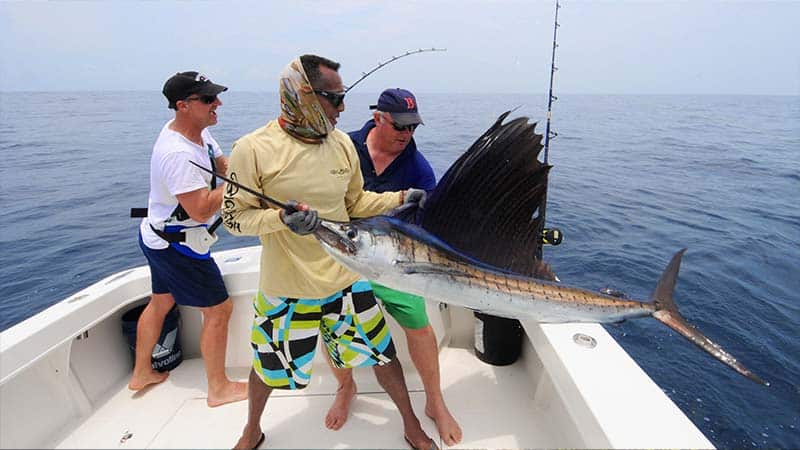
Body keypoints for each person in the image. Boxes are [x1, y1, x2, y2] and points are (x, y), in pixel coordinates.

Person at [223, 55, 436, 450]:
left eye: (343, 99)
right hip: (287, 287)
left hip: (346, 277)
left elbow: (354, 202)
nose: (343, 109)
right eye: (335, 99)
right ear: (303, 94)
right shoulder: (251, 148)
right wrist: (279, 220)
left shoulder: (340, 144)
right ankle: (251, 430)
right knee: (267, 369)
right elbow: (235, 220)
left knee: (384, 355)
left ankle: (411, 424)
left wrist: (402, 197)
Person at [322, 88, 462, 446]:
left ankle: (435, 401)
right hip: (344, 260)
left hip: (395, 266)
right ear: (379, 117)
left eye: (413, 127)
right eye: (400, 125)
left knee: (420, 328)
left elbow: (433, 224)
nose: (406, 134)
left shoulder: (418, 167)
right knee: (334, 329)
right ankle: (345, 387)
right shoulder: (342, 146)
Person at [130, 71, 247, 408]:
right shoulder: (177, 154)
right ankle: (218, 389)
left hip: (154, 236)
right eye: (209, 99)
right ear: (183, 106)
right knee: (219, 309)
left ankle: (141, 373)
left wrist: (245, 170)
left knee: (161, 301)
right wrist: (239, 185)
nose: (218, 103)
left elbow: (222, 166)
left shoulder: (201, 134)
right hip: (177, 245)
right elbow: (198, 209)